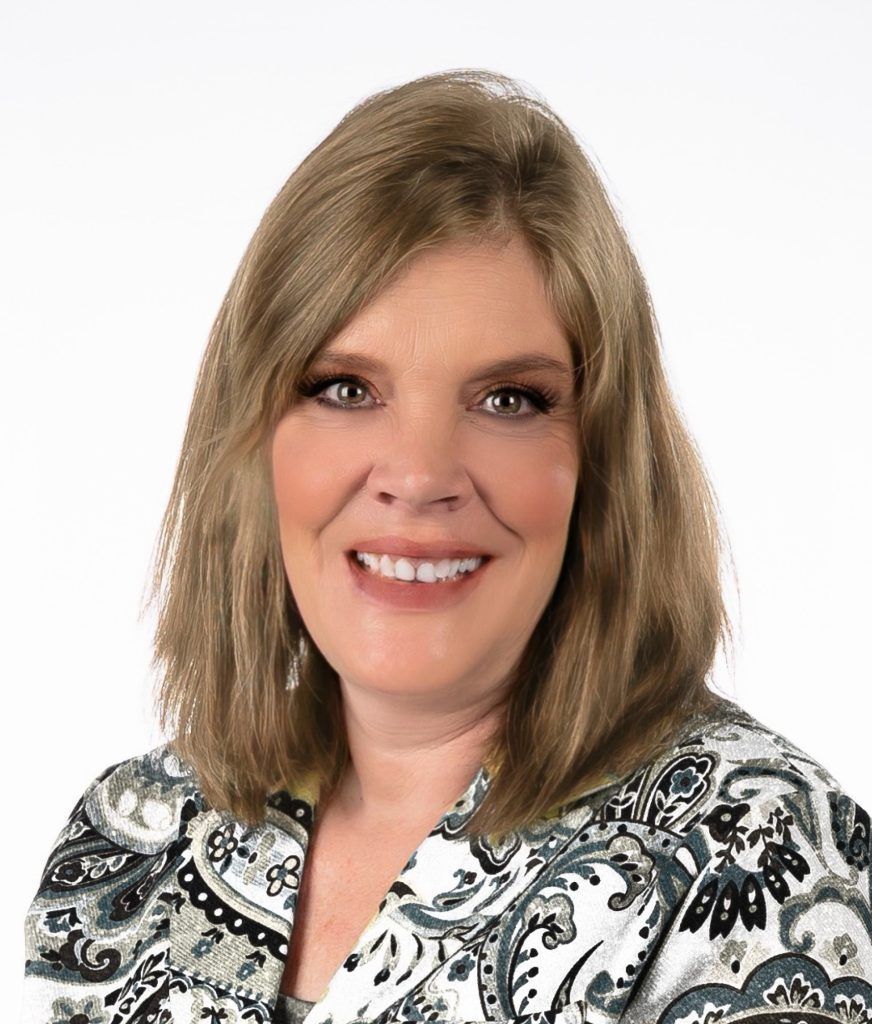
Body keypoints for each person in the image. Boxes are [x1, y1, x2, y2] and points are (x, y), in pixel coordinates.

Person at [22, 68, 872, 1024]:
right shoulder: (138, 834)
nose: (419, 474)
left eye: (509, 401)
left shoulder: (757, 854)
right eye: (346, 387)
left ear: (602, 462)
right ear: (254, 437)